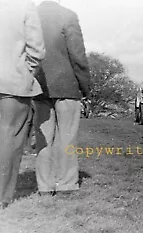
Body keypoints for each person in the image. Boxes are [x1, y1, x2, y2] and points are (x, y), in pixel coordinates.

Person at [34, 0, 91, 196]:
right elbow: (78, 56)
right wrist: (85, 87)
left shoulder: (30, 15)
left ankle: (44, 186)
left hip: (38, 86)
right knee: (67, 138)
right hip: (67, 86)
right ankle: (66, 184)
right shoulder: (68, 15)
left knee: (43, 140)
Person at [0, 0, 45, 208]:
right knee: (10, 138)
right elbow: (37, 50)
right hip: (12, 82)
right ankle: (2, 197)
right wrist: (26, 73)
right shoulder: (25, 6)